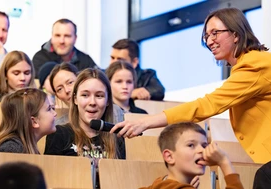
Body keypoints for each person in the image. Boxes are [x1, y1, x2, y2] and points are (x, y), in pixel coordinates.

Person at [111, 7, 271, 164]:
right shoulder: (251, 63)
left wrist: (145, 122)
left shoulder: (253, 65)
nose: (209, 41)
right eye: (206, 36)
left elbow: (207, 104)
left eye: (215, 33)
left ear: (236, 34)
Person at [45, 68, 125, 188]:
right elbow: (50, 181)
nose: (92, 102)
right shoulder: (59, 134)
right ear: (75, 99)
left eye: (99, 96)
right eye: (85, 95)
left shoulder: (116, 136)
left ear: (108, 101)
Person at [139, 122, 243, 189]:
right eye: (191, 145)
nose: (201, 150)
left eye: (204, 145)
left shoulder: (159, 184)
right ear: (169, 157)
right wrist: (224, 162)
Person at [49, 62, 124, 125]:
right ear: (57, 96)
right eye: (60, 89)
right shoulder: (59, 125)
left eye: (70, 82)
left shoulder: (115, 112)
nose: (67, 90)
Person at [0, 88, 57, 153]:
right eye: (49, 109)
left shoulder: (22, 147)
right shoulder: (13, 149)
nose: (55, 113)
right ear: (34, 121)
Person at [32, 18, 98, 78]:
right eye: (57, 35)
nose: (62, 41)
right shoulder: (39, 59)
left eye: (67, 36)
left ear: (75, 38)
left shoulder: (85, 60)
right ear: (52, 36)